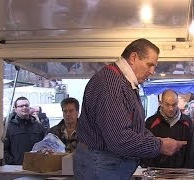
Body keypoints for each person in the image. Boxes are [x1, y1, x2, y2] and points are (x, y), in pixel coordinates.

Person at [73, 38, 183, 180]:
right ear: (133, 57)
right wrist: (160, 145)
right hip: (101, 166)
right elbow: (119, 139)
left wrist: (156, 140)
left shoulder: (123, 83)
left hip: (106, 165)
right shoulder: (111, 85)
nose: (152, 71)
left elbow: (135, 128)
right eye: (149, 65)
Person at [142, 90, 194, 168]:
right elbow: (146, 147)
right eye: (167, 105)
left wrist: (187, 170)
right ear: (161, 103)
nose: (171, 109)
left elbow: (191, 149)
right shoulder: (150, 122)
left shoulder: (187, 122)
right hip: (156, 171)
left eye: (174, 105)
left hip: (181, 171)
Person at [3, 97, 45, 165]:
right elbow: (4, 148)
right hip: (15, 167)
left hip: (36, 167)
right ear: (15, 109)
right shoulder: (8, 127)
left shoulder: (38, 126)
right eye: (21, 106)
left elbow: (44, 145)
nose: (24, 108)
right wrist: (12, 162)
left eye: (26, 105)